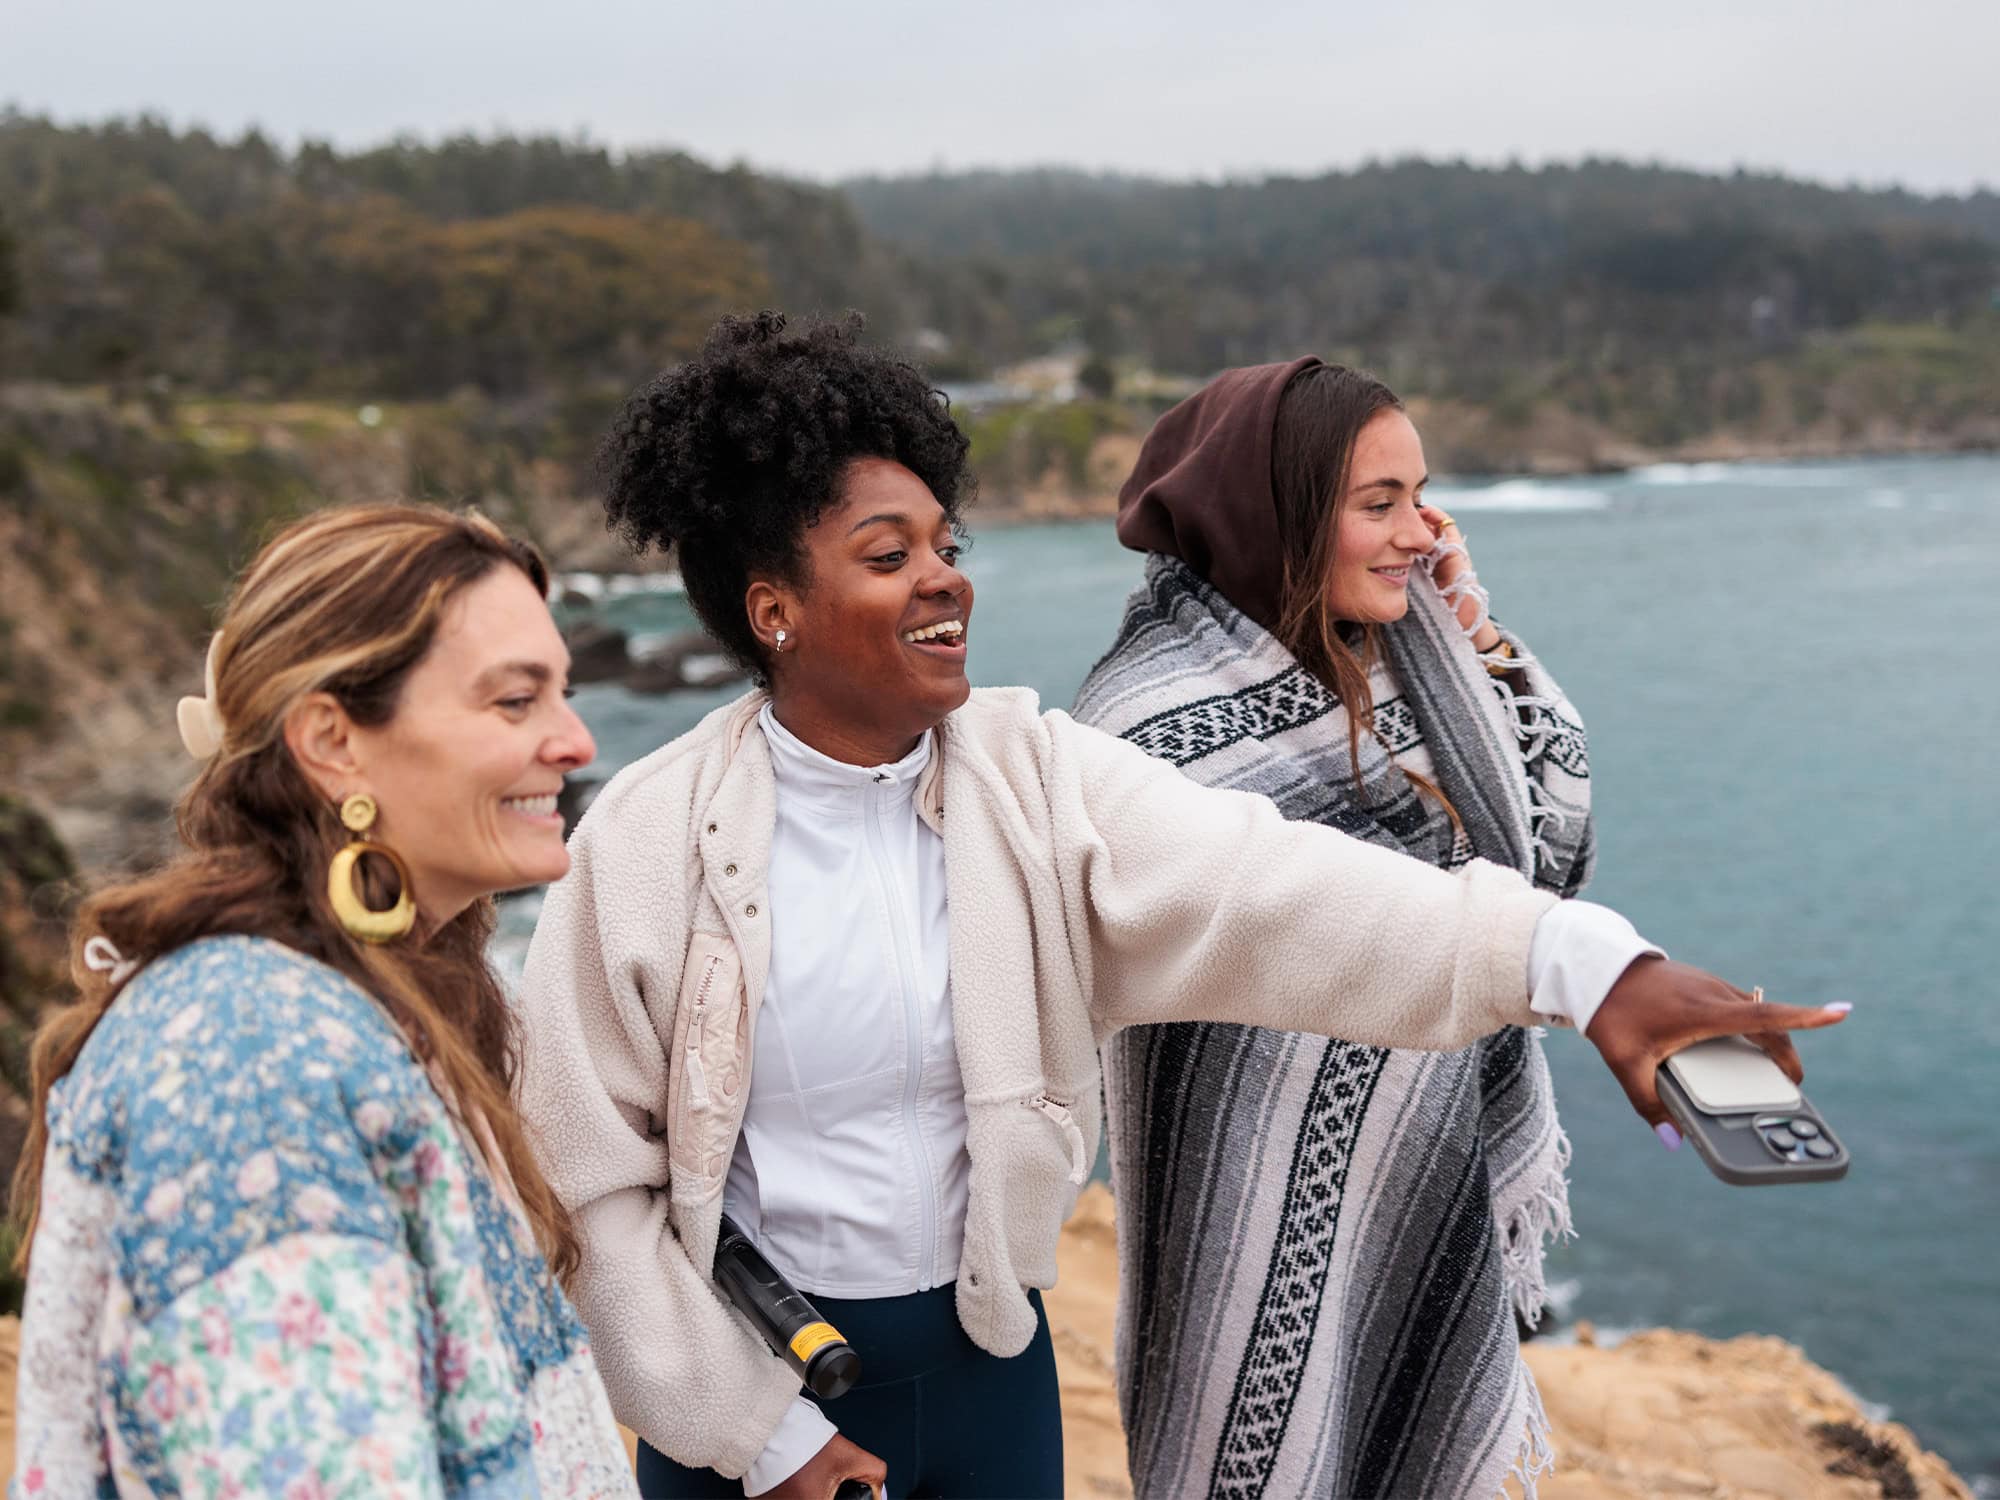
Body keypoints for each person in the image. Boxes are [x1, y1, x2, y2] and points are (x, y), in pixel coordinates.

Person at [514, 312, 1846, 1500]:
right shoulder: (645, 839)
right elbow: (585, 1185)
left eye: (946, 545)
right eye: (888, 555)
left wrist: (1589, 967)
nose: (945, 577)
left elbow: (1276, 890)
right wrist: (756, 1437)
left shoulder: (1036, 777)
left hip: (990, 1380)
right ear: (775, 609)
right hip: (757, 1402)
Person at [1074, 358, 1624, 1497]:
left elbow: (1550, 861)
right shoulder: (1144, 733)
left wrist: (1475, 640)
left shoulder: (1404, 670)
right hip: (1246, 1224)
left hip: (1416, 1184)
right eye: (1379, 504)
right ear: (1274, 514)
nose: (1422, 532)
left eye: (1422, 497)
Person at [10, 504, 637, 1497]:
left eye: (564, 693)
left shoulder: (370, 1007)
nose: (575, 741)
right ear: (332, 741)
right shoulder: (254, 1062)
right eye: (516, 701)